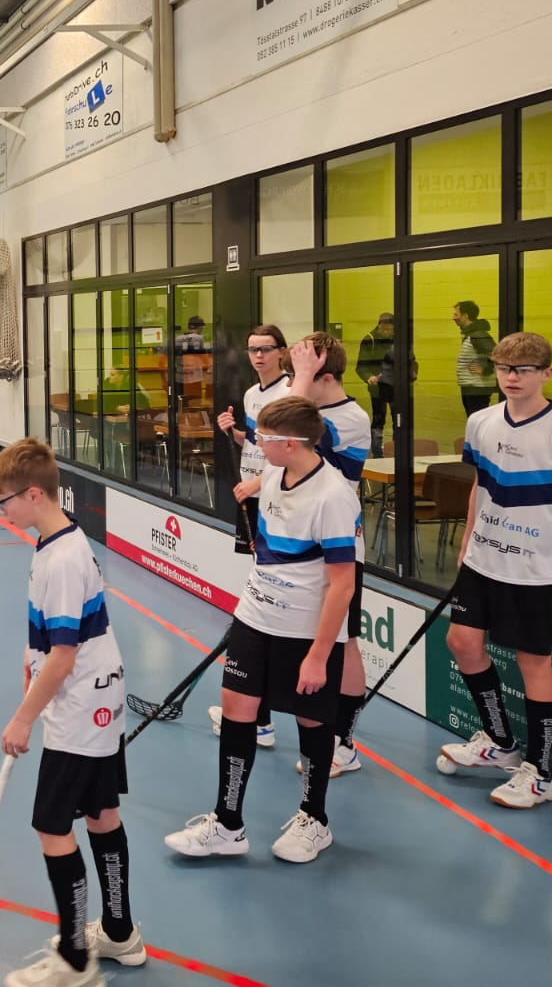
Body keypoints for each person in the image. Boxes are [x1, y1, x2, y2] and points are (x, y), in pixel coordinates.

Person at [164, 396, 359, 865]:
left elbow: (343, 584)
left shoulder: (334, 497)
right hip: (255, 618)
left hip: (305, 630)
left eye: (265, 439)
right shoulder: (273, 473)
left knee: (312, 721)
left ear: (291, 443)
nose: (257, 446)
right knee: (236, 707)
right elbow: (267, 530)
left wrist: (318, 655)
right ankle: (227, 823)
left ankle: (315, 819)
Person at [0, 438, 142, 986]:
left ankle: (76, 961)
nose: (1, 510)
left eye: (5, 501)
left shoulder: (61, 559)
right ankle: (120, 933)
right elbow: (58, 633)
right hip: (99, 695)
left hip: (80, 707)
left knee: (51, 826)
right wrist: (29, 658)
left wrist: (23, 717)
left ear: (34, 494)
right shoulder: (60, 539)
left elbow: (63, 655)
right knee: (101, 813)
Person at [438, 332, 552, 807]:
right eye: (504, 369)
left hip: (537, 571)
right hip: (483, 561)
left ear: (546, 373)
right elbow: (480, 484)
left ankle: (540, 774)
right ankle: (500, 743)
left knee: (533, 662)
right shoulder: (481, 422)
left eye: (524, 370)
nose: (512, 378)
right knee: (462, 642)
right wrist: (468, 538)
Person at [286, 333, 374, 779]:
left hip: (336, 545)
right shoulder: (309, 404)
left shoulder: (352, 418)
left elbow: (288, 426)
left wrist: (299, 377)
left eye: (300, 374)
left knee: (344, 642)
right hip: (295, 543)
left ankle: (343, 741)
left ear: (324, 377)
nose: (292, 381)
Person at [211, 322, 291, 750]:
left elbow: (293, 452)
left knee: (269, 599)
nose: (259, 356)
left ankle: (260, 717)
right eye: (253, 349)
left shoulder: (290, 392)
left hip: (271, 500)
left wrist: (258, 484)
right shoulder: (250, 394)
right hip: (251, 498)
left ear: (281, 351)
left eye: (266, 348)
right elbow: (257, 443)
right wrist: (234, 431)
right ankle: (258, 713)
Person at [355, 313, 395, 456]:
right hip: (378, 386)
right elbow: (361, 366)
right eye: (383, 329)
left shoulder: (399, 339)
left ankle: (396, 450)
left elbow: (411, 359)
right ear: (378, 326)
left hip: (395, 385)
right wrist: (369, 377)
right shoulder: (370, 339)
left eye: (389, 329)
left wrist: (413, 371)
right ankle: (377, 452)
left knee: (399, 419)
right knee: (379, 418)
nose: (386, 332)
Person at [454, 301, 497, 416]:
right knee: (474, 418)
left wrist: (485, 369)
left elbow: (497, 354)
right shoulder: (471, 335)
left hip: (477, 386)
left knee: (477, 419)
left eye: (456, 314)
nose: (453, 318)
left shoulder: (478, 335)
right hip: (472, 385)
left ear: (465, 316)